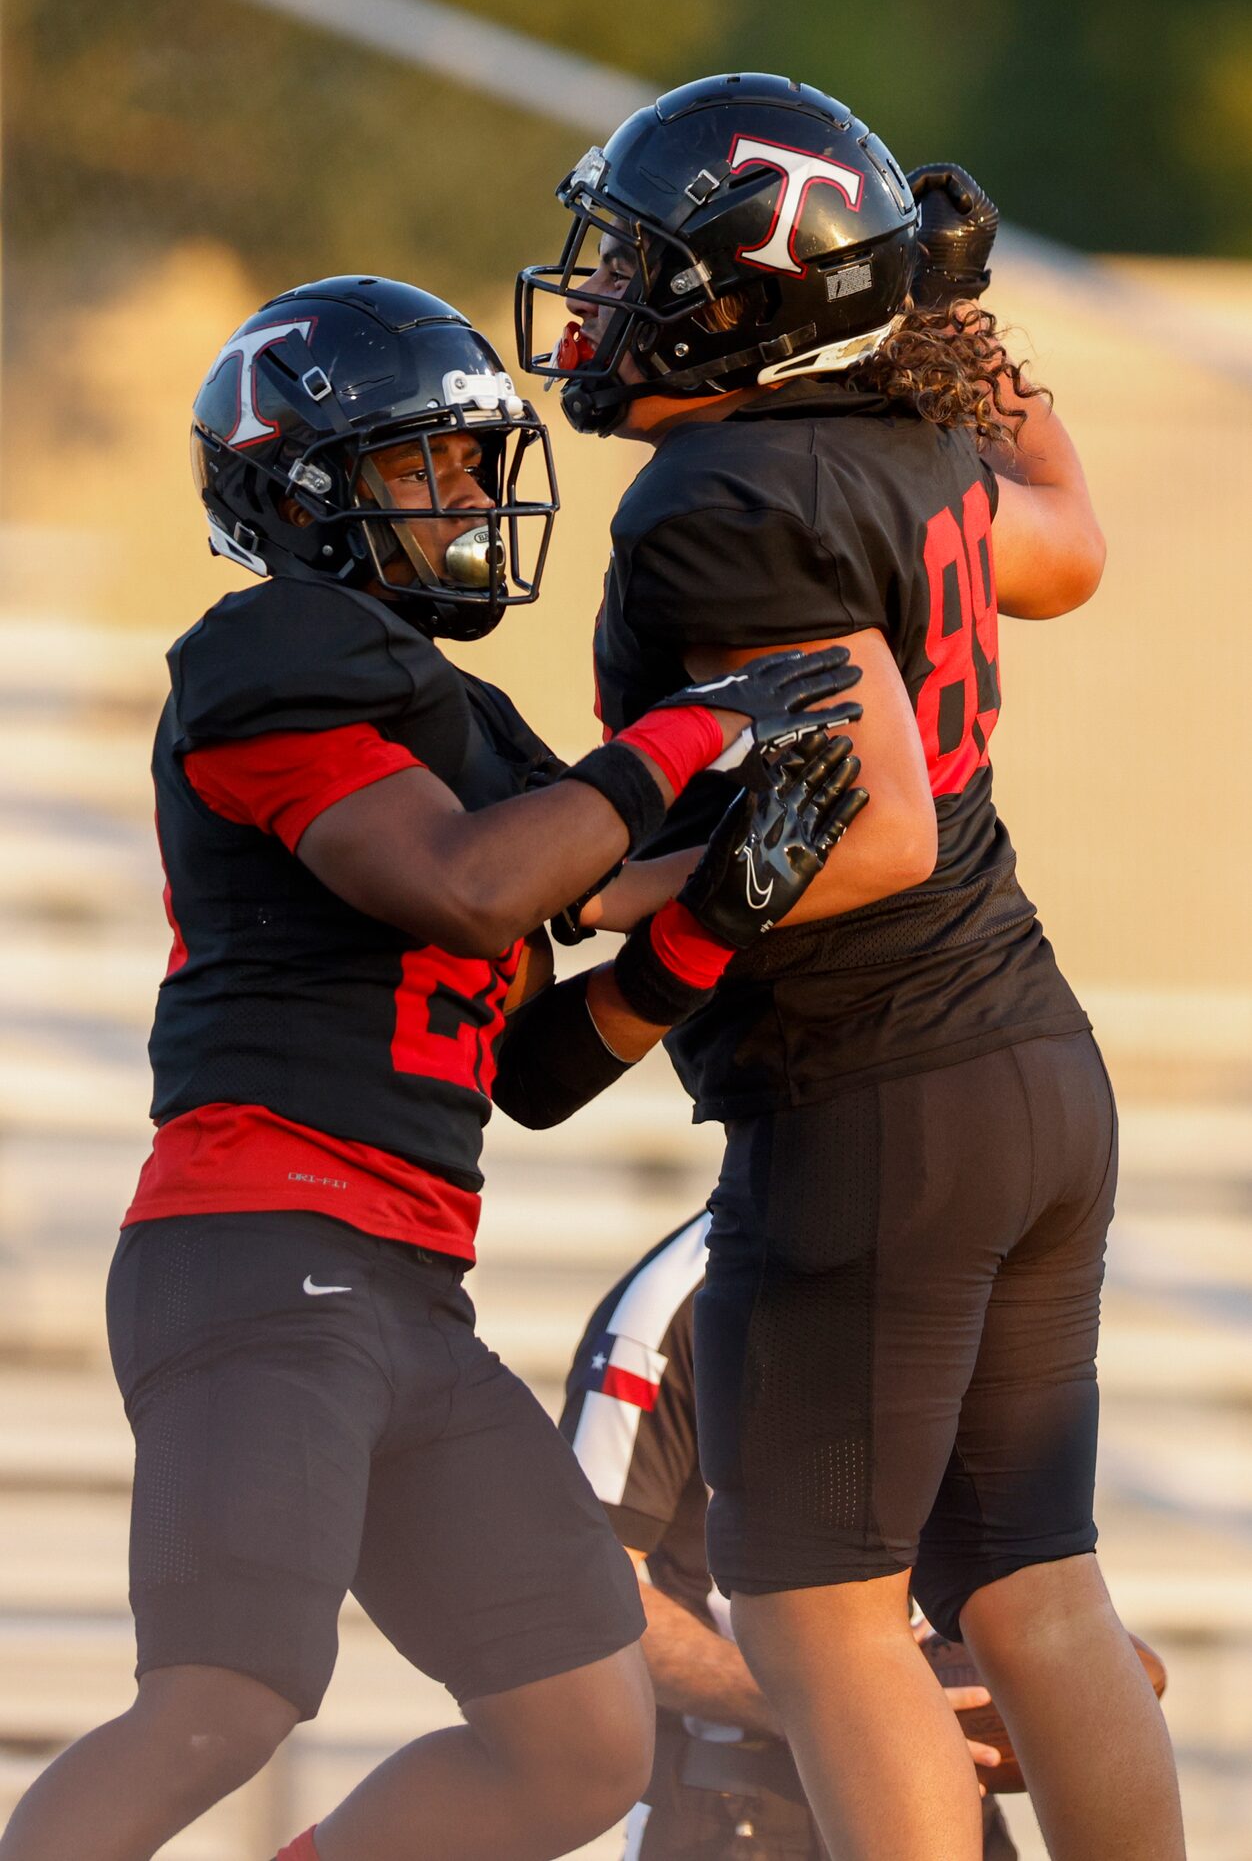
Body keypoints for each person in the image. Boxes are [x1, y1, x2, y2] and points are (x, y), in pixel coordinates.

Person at [0, 276, 869, 1861]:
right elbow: (466, 886)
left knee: (580, 1741)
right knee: (223, 1701)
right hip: (258, 1256)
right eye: (431, 468)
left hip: (404, 1283)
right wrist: (683, 738)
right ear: (310, 483)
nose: (469, 501)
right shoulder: (276, 649)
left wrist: (708, 924)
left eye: (475, 467)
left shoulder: (455, 719)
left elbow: (533, 1065)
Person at [517, 74, 1185, 1861]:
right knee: (1033, 1589)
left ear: (746, 295)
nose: (594, 306)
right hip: (1027, 1066)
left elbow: (864, 822)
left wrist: (627, 925)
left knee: (819, 1613)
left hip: (875, 1088)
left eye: (641, 268)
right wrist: (958, 322)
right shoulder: (899, 445)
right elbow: (1073, 539)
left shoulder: (718, 496)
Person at [561, 1211, 1019, 1860]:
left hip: (932, 1778)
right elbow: (585, 1592)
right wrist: (832, 1707)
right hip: (741, 1804)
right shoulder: (675, 1300)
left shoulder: (957, 1267)